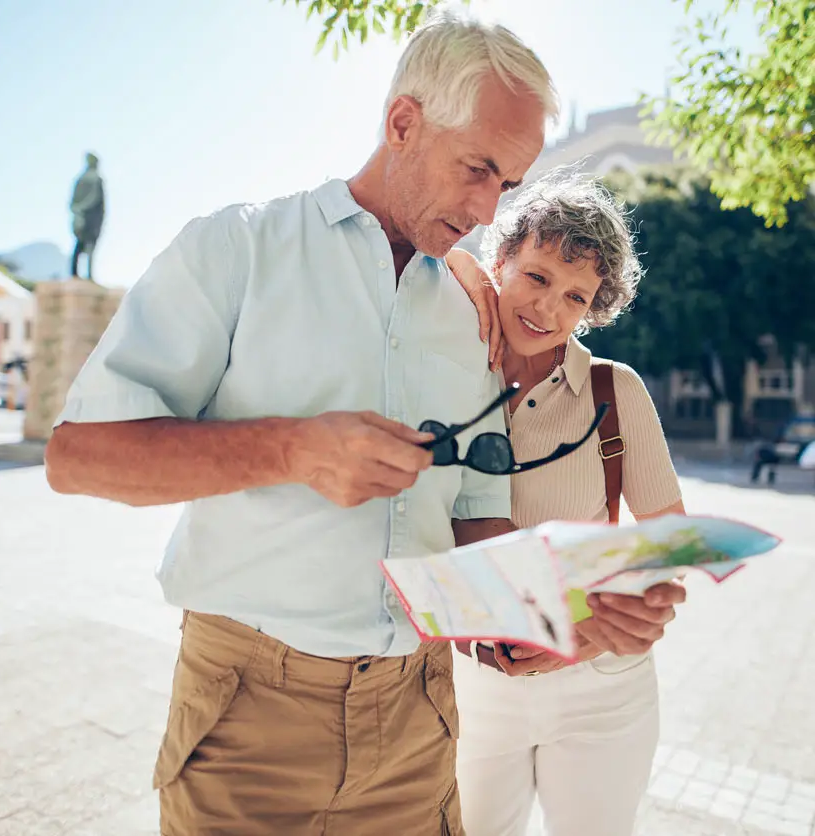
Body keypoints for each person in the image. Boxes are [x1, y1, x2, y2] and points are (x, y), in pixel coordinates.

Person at [44, 10, 684, 832]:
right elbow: (77, 458)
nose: (489, 211)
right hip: (250, 719)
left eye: (509, 185)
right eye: (478, 168)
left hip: (421, 722)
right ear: (402, 122)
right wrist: (292, 448)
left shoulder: (468, 314)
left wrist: (571, 614)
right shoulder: (237, 250)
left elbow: (470, 520)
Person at [445, 172, 686, 836]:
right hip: (473, 686)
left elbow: (672, 544)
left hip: (601, 689)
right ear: (500, 260)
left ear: (593, 310)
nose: (548, 308)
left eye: (575, 296)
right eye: (537, 277)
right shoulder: (446, 373)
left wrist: (573, 631)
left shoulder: (616, 391)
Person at [69, 152, 106, 280]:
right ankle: (81, 274)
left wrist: (78, 209)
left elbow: (73, 202)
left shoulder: (83, 179)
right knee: (85, 245)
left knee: (83, 246)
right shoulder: (94, 179)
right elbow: (95, 198)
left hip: (86, 216)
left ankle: (81, 274)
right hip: (90, 218)